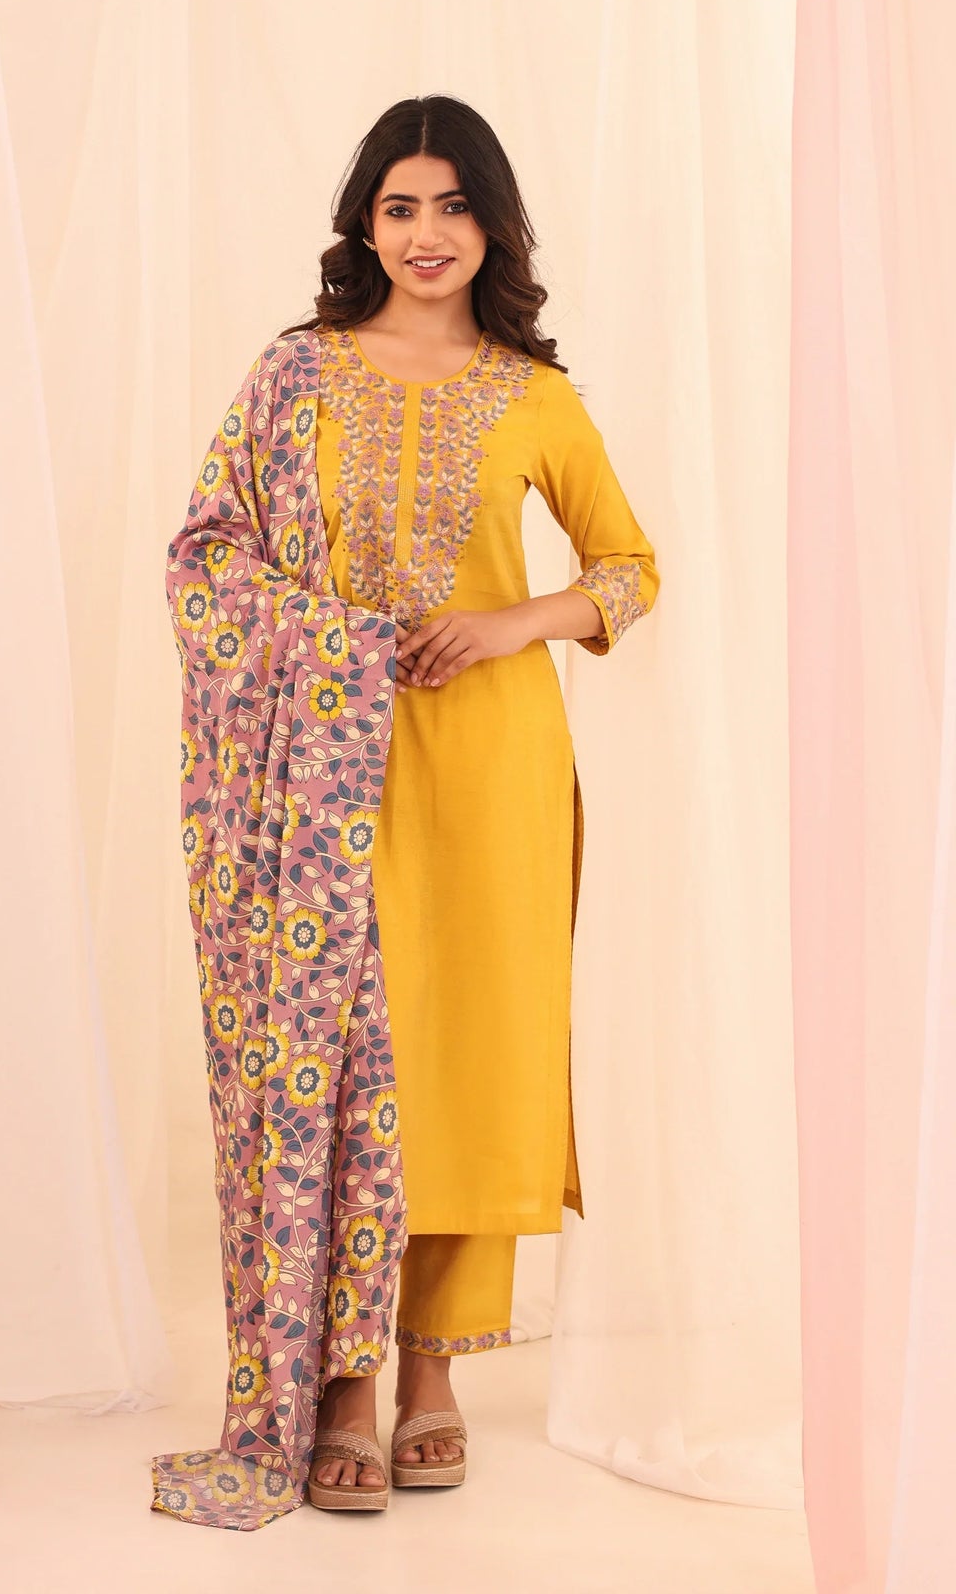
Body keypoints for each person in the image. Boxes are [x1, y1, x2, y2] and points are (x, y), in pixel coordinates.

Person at [151, 94, 658, 1530]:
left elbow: (630, 567)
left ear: (492, 223)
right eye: (399, 207)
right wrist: (334, 648)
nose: (427, 234)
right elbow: (205, 556)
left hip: (490, 768)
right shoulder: (294, 376)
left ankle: (432, 1373)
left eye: (452, 206)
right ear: (363, 224)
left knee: (465, 1062)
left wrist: (513, 622)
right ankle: (342, 1386)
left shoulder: (532, 395)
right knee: (336, 1057)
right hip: (320, 777)